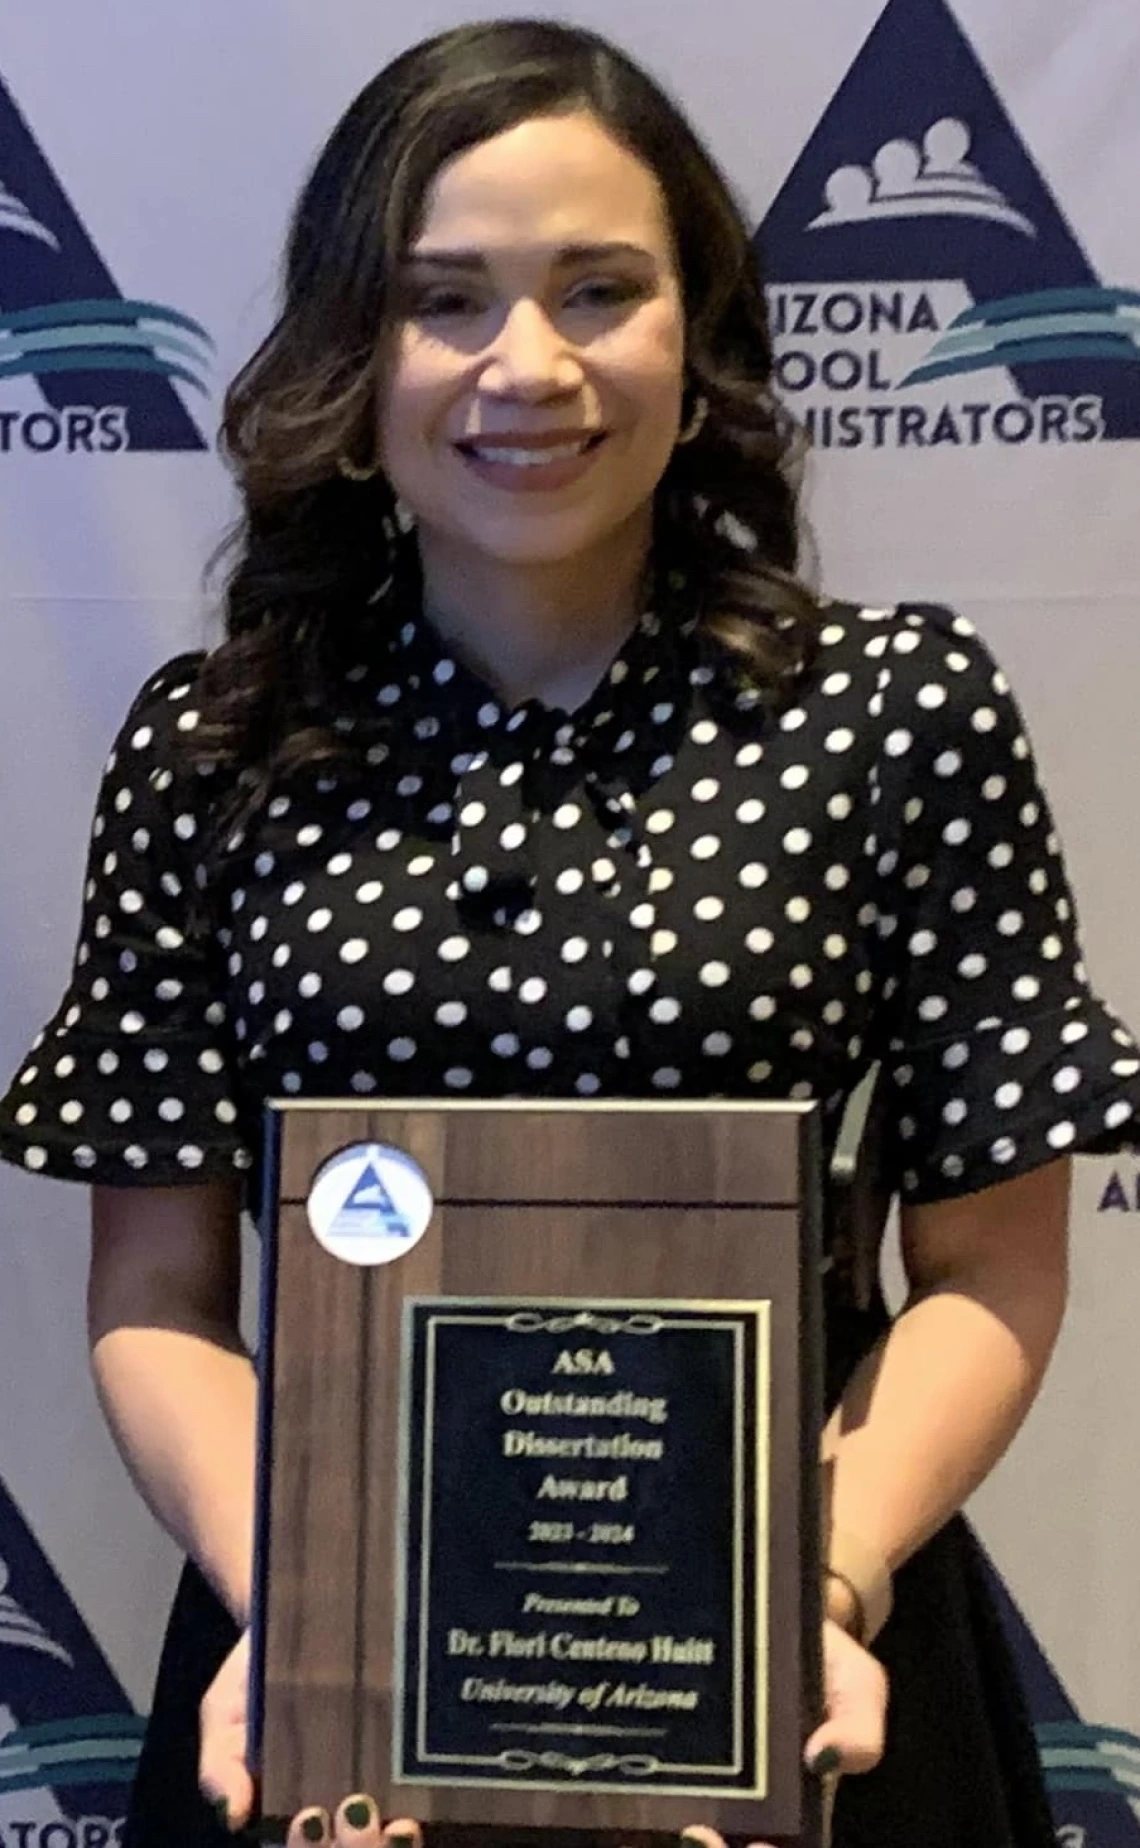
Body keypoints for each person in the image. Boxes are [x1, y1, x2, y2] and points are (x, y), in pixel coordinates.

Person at [1, 18, 1137, 1848]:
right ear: (352, 366)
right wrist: (301, 1613)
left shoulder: (899, 713)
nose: (526, 364)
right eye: (446, 299)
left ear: (700, 345)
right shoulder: (213, 748)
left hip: (807, 1669)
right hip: (317, 1689)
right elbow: (154, 1298)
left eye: (598, 287)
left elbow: (996, 1274)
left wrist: (810, 1600)